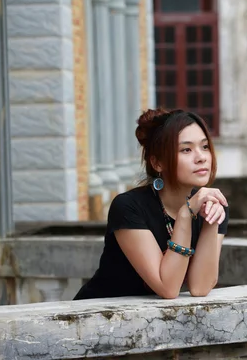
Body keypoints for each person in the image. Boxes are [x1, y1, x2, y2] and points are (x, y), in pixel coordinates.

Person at [74, 109, 229, 300]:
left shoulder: (213, 206)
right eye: (186, 149)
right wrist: (185, 214)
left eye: (205, 147)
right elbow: (168, 288)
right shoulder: (128, 207)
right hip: (98, 320)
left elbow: (200, 287)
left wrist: (211, 222)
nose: (201, 157)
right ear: (157, 163)